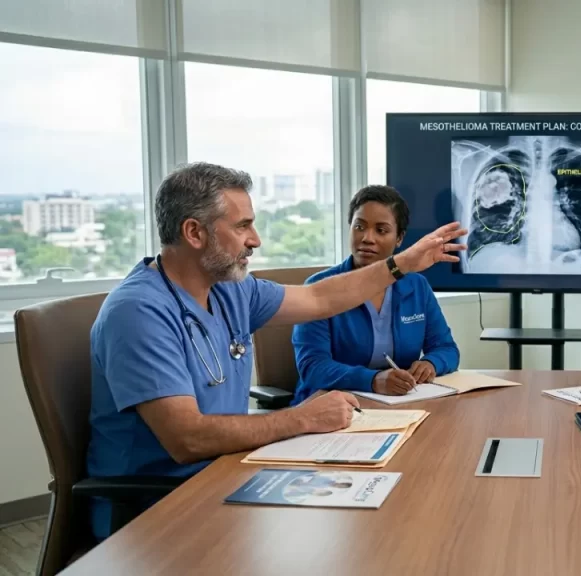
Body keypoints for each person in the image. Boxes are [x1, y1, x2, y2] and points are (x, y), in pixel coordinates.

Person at [87, 162, 467, 540]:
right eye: (242, 226)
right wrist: (300, 418)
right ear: (194, 232)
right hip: (155, 507)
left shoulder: (231, 289)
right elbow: (189, 439)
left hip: (226, 472)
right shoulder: (138, 311)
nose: (255, 239)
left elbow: (320, 297)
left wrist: (400, 265)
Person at [291, 185, 460, 402]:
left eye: (381, 230)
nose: (367, 238)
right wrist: (373, 380)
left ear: (399, 238)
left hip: (400, 403)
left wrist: (431, 363)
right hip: (330, 406)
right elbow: (313, 367)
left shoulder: (416, 286)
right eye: (359, 227)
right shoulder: (319, 288)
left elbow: (446, 348)